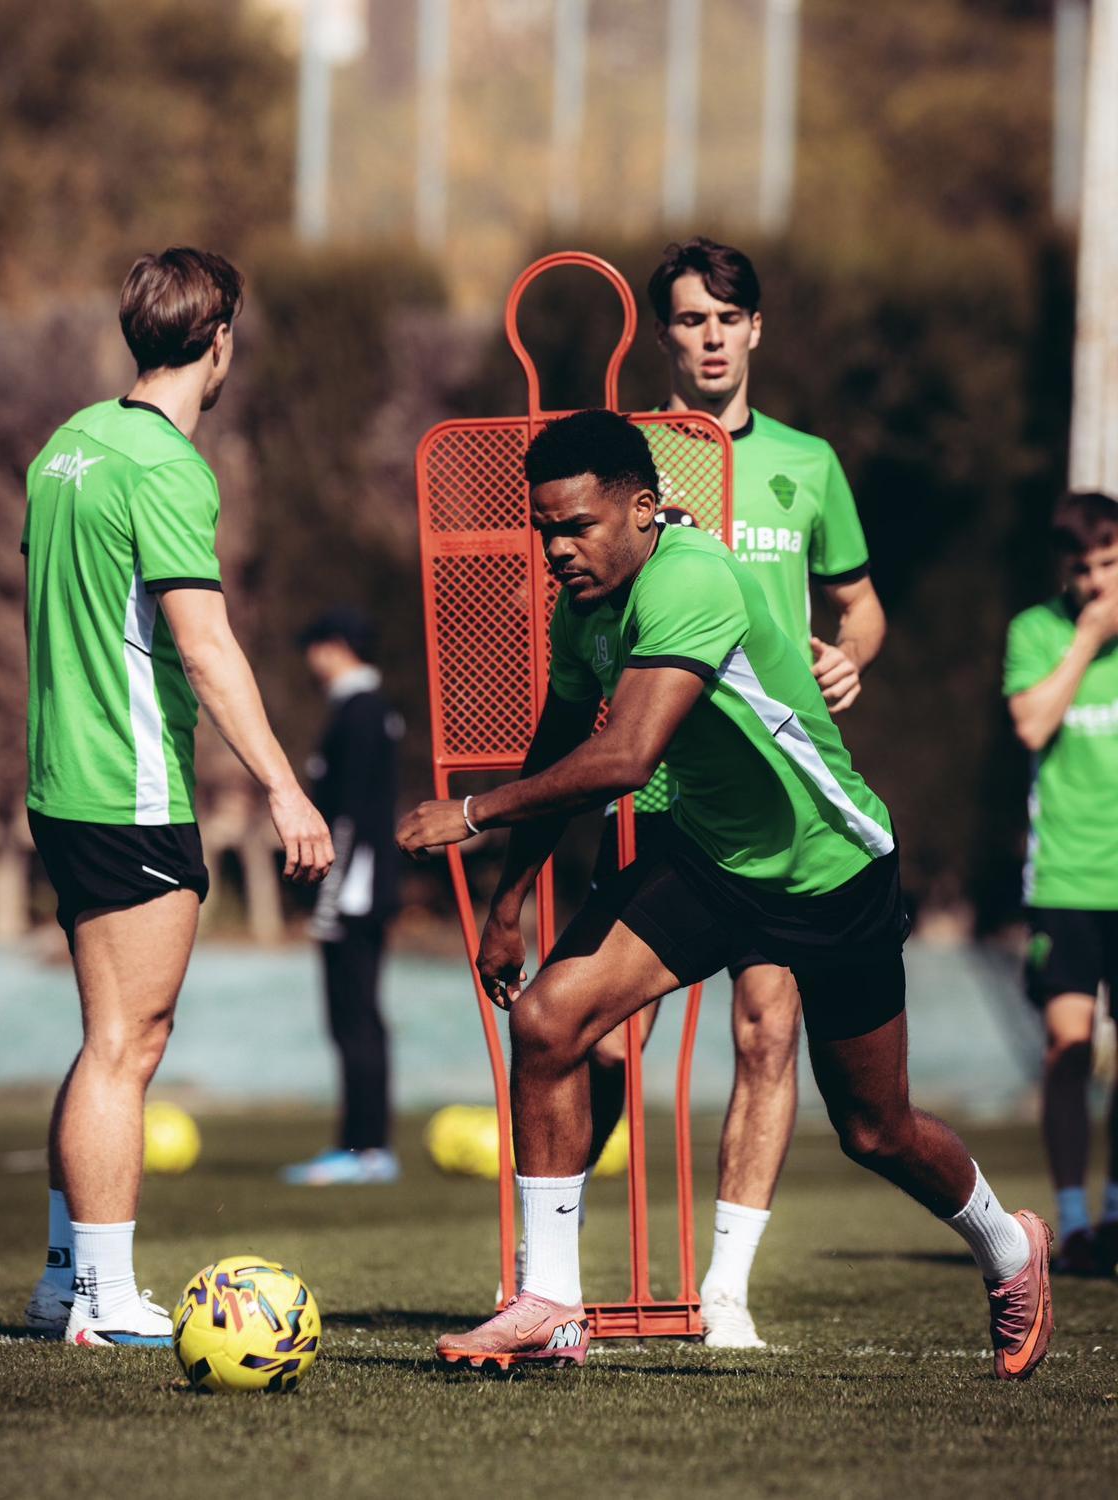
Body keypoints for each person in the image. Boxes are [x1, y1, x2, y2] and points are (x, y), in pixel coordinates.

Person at [397, 410, 1053, 1380]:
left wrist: (474, 811)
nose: (558, 549)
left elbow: (623, 760)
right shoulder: (581, 611)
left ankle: (1011, 1247)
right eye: (544, 529)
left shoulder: (692, 579)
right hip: (711, 863)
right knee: (546, 1022)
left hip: (830, 868)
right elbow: (558, 742)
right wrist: (507, 906)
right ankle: (550, 1303)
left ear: (644, 508)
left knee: (878, 1129)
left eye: (576, 525)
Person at [22, 247, 333, 1346]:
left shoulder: (67, 447)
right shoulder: (166, 467)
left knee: (106, 1032)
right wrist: (288, 791)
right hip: (130, 789)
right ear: (220, 340)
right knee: (129, 1042)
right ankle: (105, 1296)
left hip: (63, 782)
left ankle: (67, 1275)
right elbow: (204, 649)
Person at [583, 238, 887, 1348]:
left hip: (768, 797)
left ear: (757, 329)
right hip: (647, 780)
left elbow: (859, 604)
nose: (709, 337)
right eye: (689, 320)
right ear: (662, 335)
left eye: (727, 318)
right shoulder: (625, 464)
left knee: (768, 1033)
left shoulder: (807, 463)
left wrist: (854, 653)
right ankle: (555, 1268)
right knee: (605, 1037)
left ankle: (724, 1298)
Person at [1005, 489, 1118, 1277]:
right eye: (1086, 567)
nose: (1101, 579)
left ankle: (1117, 1214)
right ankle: (1073, 1221)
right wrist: (1085, 642)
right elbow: (1032, 725)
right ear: (1065, 570)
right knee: (1066, 1048)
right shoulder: (1035, 631)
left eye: (1113, 563)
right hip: (1067, 878)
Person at [281, 608, 404, 1187]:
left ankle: (364, 1149)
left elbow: (349, 818)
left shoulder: (361, 712)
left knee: (355, 1019)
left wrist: (327, 901)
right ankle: (364, 1146)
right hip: (355, 892)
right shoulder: (363, 711)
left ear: (334, 648)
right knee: (356, 1020)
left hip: (352, 895)